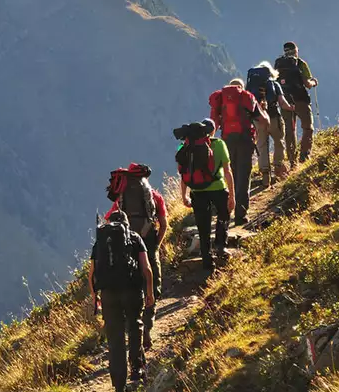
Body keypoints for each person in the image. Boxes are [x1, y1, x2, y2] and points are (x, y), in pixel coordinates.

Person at [88, 210, 155, 392]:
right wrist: (149, 292)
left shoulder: (100, 242)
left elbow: (92, 273)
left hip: (108, 293)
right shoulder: (134, 238)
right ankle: (136, 367)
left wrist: (95, 296)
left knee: (115, 339)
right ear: (126, 223)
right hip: (131, 290)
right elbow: (147, 269)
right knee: (134, 325)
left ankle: (119, 386)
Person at [104, 163, 168, 351]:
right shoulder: (155, 196)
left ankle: (133, 326)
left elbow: (109, 220)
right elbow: (163, 224)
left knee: (132, 285)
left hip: (127, 246)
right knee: (152, 282)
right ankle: (147, 328)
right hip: (148, 242)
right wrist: (156, 243)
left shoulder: (121, 199)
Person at [176, 119, 236, 270]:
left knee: (203, 226)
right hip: (218, 188)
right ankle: (221, 246)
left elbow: (183, 174)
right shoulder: (219, 144)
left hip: (197, 191)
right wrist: (232, 196)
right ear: (212, 131)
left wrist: (184, 196)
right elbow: (227, 171)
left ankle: (206, 260)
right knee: (224, 214)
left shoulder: (185, 146)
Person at [209, 79, 269, 225]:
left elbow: (213, 124)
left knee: (229, 175)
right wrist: (263, 112)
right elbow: (265, 120)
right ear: (241, 87)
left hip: (227, 141)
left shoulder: (221, 99)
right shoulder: (246, 97)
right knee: (243, 177)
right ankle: (240, 215)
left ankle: (226, 212)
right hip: (245, 141)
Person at [246, 61, 295, 187]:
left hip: (258, 119)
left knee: (262, 146)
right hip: (273, 117)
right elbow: (282, 102)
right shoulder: (274, 83)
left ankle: (265, 177)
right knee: (279, 142)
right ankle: (278, 167)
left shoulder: (251, 85)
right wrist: (291, 108)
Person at [274, 42, 318, 166]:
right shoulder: (300, 63)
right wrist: (314, 82)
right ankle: (304, 154)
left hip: (285, 101)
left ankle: (292, 160)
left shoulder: (278, 64)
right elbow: (307, 84)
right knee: (308, 127)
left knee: (289, 130)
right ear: (296, 51)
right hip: (300, 100)